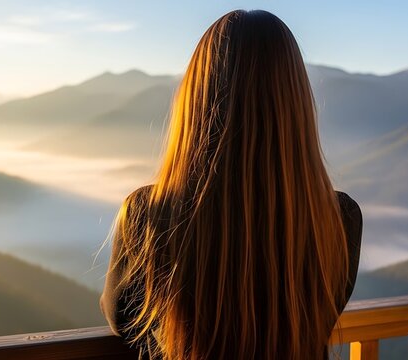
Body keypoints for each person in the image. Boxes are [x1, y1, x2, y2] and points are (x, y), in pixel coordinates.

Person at [101, 9, 363, 360]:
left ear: (195, 100)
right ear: (296, 101)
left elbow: (122, 319)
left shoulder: (146, 213)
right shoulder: (338, 218)